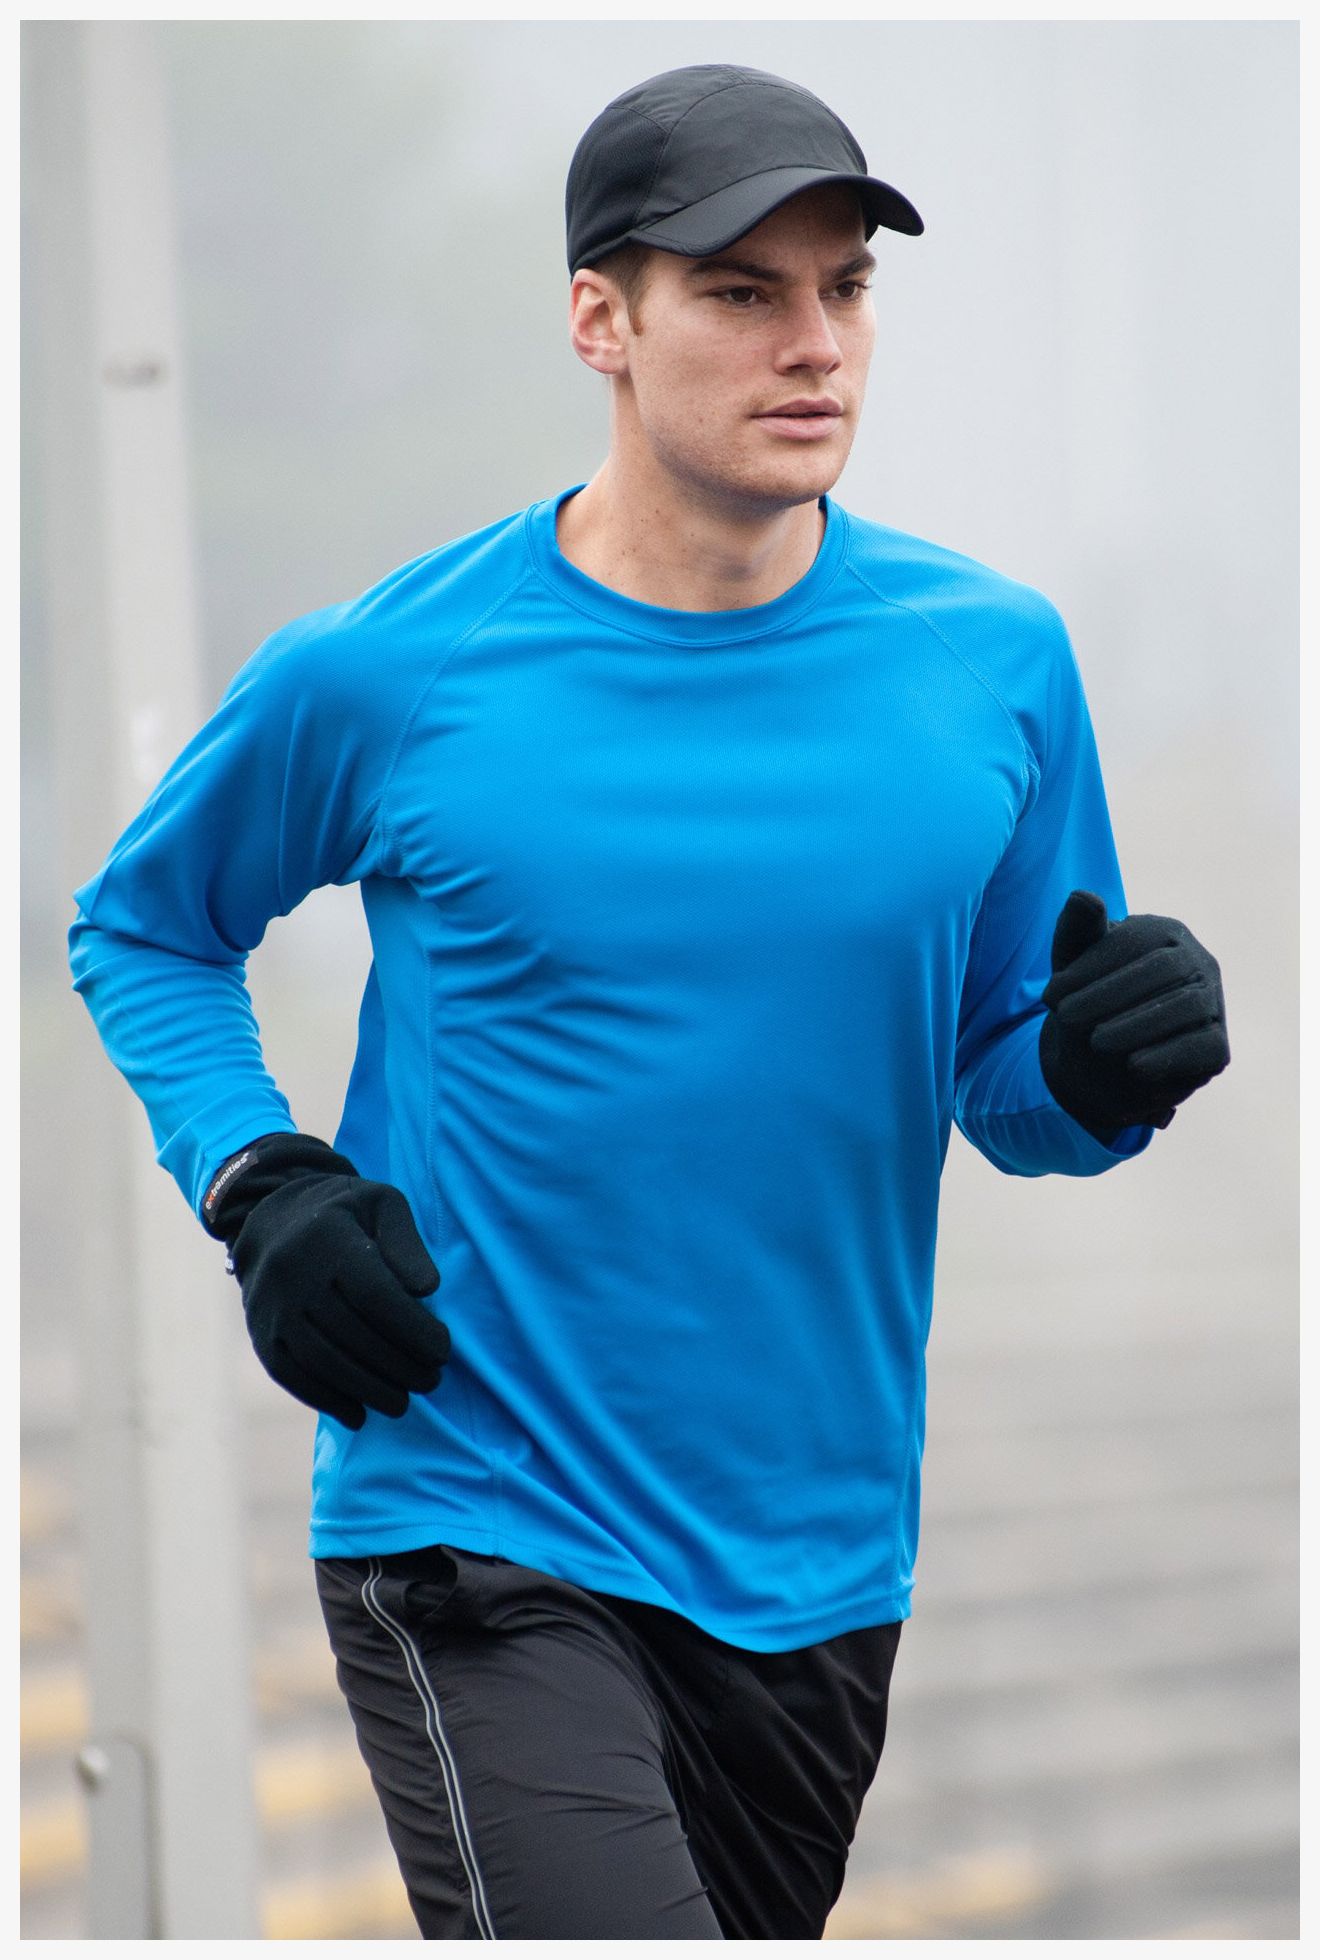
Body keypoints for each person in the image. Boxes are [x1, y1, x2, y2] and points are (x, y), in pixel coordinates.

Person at [68, 62, 1230, 1942]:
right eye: (742, 292)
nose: (813, 343)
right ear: (600, 321)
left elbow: (1009, 1087)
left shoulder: (995, 663)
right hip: (480, 1514)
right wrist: (260, 1181)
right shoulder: (392, 669)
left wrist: (1099, 1071)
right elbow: (142, 926)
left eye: (845, 288)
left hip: (820, 1557)